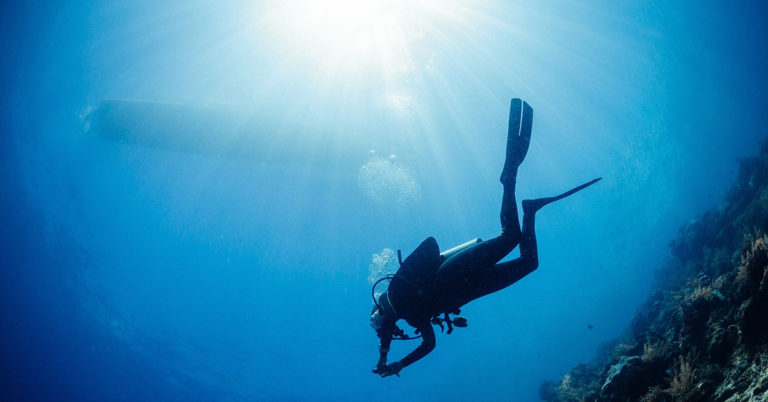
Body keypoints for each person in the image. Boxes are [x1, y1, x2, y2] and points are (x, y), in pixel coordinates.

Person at [369, 98, 600, 378]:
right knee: (529, 264)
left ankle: (508, 178)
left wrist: (385, 356)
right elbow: (429, 345)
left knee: (510, 237)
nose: (391, 331)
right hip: (471, 290)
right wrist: (398, 364)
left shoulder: (397, 292)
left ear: (381, 312)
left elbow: (389, 325)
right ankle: (529, 210)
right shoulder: (415, 317)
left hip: (452, 273)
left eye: (384, 325)